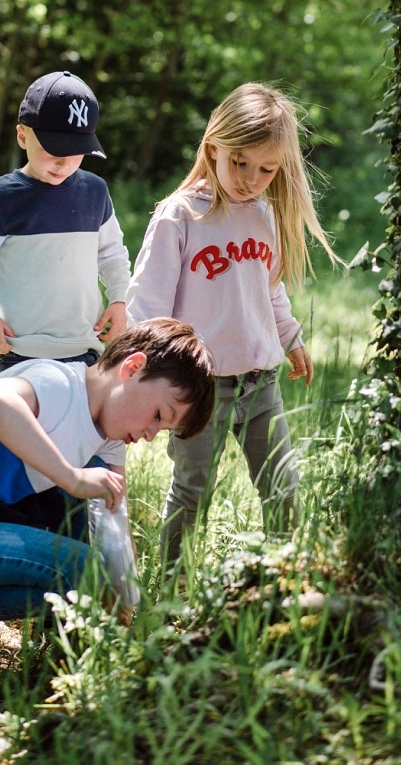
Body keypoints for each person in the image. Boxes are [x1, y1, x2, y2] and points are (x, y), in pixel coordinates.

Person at [0, 318, 216, 686]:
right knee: (82, 566)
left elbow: (116, 522)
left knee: (93, 547)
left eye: (161, 431)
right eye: (158, 416)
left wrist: (127, 604)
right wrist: (72, 476)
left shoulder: (108, 436)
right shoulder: (60, 383)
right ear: (132, 367)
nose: (149, 435)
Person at [127, 83, 340, 565]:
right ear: (213, 148)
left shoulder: (266, 215)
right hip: (200, 387)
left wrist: (291, 338)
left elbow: (270, 288)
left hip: (261, 381)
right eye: (239, 162)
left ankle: (283, 579)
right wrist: (144, 370)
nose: (250, 178)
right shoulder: (180, 215)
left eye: (266, 169)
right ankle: (172, 587)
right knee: (192, 491)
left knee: (283, 488)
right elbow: (148, 301)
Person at [0, 70, 132, 372]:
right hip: (21, 352)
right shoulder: (1, 199)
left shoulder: (95, 191)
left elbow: (112, 254)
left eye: (77, 152)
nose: (64, 163)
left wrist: (119, 300)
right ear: (22, 135)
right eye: (53, 149)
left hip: (88, 349)